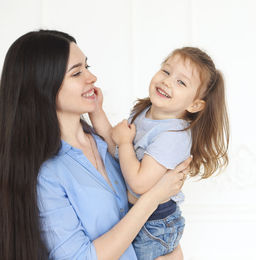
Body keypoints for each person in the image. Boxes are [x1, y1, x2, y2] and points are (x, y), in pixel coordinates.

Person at [0, 29, 190, 260]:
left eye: (87, 67)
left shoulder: (106, 143)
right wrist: (153, 198)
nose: (91, 78)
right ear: (44, 86)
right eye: (76, 73)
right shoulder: (46, 174)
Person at [89, 47, 230, 259]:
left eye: (181, 82)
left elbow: (138, 183)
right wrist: (96, 110)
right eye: (166, 71)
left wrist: (126, 143)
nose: (167, 81)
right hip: (137, 215)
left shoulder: (173, 135)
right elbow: (116, 147)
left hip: (154, 225)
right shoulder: (144, 113)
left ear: (195, 105)